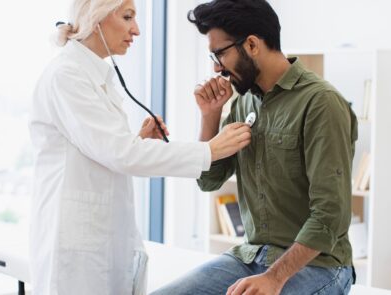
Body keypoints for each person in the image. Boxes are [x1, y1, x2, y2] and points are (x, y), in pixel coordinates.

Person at [28, 0, 251, 294]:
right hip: (76, 250)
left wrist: (140, 142)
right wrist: (211, 150)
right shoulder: (67, 76)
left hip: (102, 238)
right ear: (96, 20)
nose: (137, 30)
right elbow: (120, 154)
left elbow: (106, 151)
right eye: (128, 17)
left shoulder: (92, 75)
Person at [151, 0, 358, 294]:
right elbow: (209, 181)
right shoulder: (243, 102)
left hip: (318, 264)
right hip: (251, 256)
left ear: (251, 45)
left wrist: (274, 278)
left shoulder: (321, 103)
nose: (215, 68)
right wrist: (210, 116)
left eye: (219, 54)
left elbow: (330, 214)